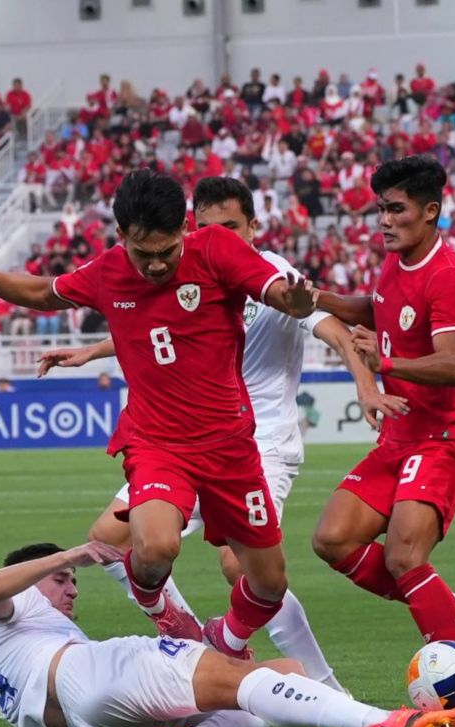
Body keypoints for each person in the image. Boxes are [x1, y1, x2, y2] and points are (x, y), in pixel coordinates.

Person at [0, 169, 316, 660]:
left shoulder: (217, 249)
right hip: (157, 443)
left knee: (268, 584)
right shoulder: (108, 270)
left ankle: (222, 642)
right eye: (145, 254)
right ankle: (155, 600)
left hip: (231, 445)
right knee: (155, 548)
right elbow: (42, 294)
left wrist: (289, 300)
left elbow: (273, 288)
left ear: (186, 230)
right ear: (122, 236)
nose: (158, 265)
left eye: (168, 251)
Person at [35, 176, 407, 688]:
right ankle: (188, 638)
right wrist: (94, 351)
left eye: (232, 227)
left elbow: (332, 328)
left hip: (260, 441)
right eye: (208, 227)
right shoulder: (192, 262)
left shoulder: (274, 275)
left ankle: (321, 682)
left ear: (254, 226)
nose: (221, 236)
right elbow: (160, 329)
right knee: (109, 538)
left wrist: (366, 385)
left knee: (241, 567)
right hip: (182, 439)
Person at [0, 541, 455, 727]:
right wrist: (70, 554)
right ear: (32, 581)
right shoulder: (15, 611)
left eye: (74, 581)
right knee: (237, 677)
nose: (71, 589)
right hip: (89, 678)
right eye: (63, 582)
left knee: (284, 674)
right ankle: (379, 721)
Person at [308, 156, 455, 724]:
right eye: (381, 210)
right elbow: (378, 308)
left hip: (442, 440)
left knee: (403, 555)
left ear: (431, 212)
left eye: (396, 210)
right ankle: (450, 608)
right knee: (332, 540)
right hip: (397, 439)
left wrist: (384, 360)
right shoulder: (395, 263)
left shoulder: (448, 275)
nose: (384, 221)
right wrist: (316, 298)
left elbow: (453, 364)